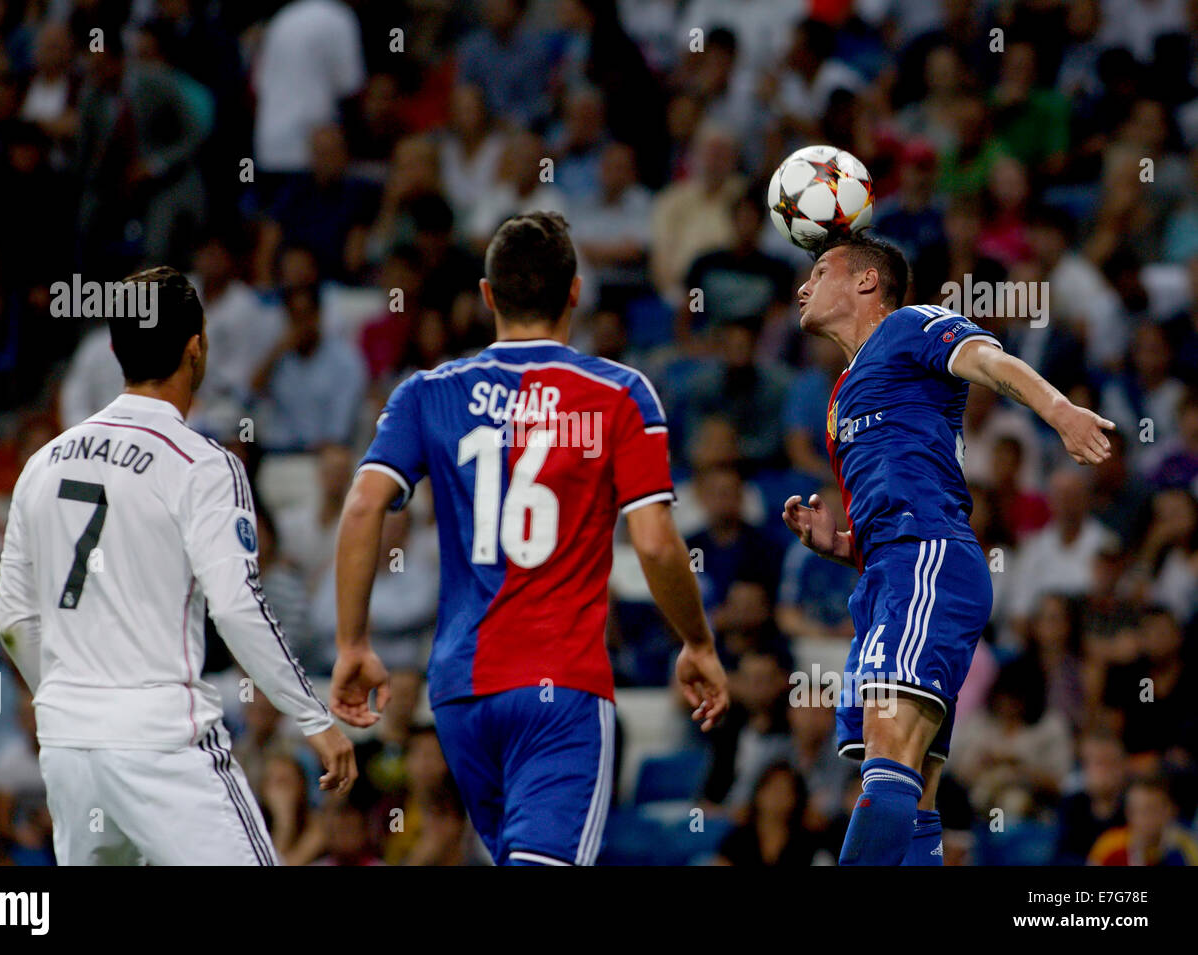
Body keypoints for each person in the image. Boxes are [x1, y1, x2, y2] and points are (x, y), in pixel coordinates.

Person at [330, 212, 729, 866]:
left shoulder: (427, 392)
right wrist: (697, 640)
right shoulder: (619, 394)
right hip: (560, 689)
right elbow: (655, 544)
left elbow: (362, 507)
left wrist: (351, 643)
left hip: (460, 694)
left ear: (487, 295)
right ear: (575, 292)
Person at [0, 267, 356, 866]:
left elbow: (12, 616)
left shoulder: (43, 463)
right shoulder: (201, 464)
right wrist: (313, 718)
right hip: (163, 743)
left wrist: (66, 698)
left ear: (114, 349)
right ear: (197, 347)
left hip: (69, 747)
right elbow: (238, 606)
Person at [781, 234, 1114, 866]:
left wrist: (1060, 410)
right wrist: (842, 544)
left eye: (821, 270)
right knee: (915, 784)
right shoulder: (841, 399)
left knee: (890, 748)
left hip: (926, 559)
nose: (803, 285)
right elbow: (906, 486)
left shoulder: (909, 325)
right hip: (885, 571)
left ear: (866, 283)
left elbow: (990, 361)